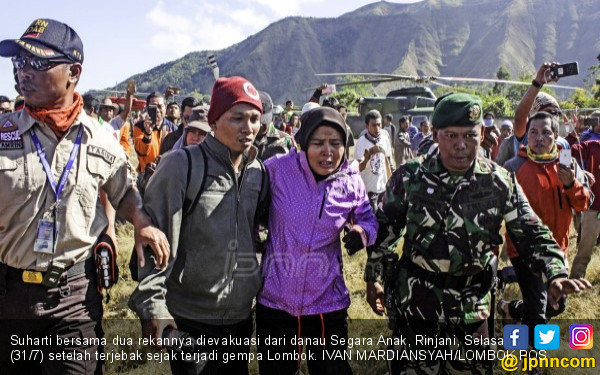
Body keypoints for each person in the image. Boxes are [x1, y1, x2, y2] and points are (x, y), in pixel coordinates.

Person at [364, 93, 591, 374]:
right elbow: (385, 229)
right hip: (417, 306)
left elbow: (532, 233)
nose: (461, 146)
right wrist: (373, 278)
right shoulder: (411, 177)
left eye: (470, 136)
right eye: (451, 136)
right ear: (435, 134)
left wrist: (556, 272)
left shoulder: (499, 181)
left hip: (472, 307)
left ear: (482, 133)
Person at [0, 18, 169, 375]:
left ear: (73, 71)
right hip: (8, 297)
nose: (22, 72)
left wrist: (141, 223)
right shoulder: (3, 135)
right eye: (18, 63)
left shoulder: (101, 139)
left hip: (73, 297)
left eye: (36, 62)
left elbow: (123, 190)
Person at [129, 76, 269, 375]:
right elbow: (155, 239)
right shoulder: (182, 165)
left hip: (240, 318)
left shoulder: (258, 171)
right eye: (238, 118)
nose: (248, 127)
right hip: (191, 319)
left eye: (255, 118)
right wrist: (154, 308)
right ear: (215, 121)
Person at [256, 106, 378, 375]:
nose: (328, 152)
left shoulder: (351, 180)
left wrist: (362, 232)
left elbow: (368, 219)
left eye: (336, 144)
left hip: (326, 303)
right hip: (276, 301)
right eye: (318, 143)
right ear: (303, 143)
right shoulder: (276, 170)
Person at [499, 112, 591, 336]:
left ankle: (509, 308)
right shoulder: (514, 167)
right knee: (538, 310)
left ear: (556, 136)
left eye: (546, 133)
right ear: (525, 137)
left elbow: (583, 204)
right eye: (533, 132)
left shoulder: (567, 165)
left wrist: (571, 184)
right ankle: (531, 362)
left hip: (557, 250)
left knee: (556, 306)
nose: (539, 138)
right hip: (524, 250)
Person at [570, 139, 600, 278]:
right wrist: (580, 171)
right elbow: (567, 152)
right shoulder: (593, 146)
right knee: (585, 250)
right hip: (594, 209)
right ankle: (576, 280)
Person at [354, 109, 392, 212]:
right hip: (368, 192)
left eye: (379, 125)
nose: (377, 128)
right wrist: (366, 159)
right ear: (367, 126)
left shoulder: (384, 139)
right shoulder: (361, 142)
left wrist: (391, 183)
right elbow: (357, 169)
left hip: (383, 189)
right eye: (374, 125)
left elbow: (387, 162)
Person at [133, 92, 176, 174]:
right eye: (153, 107)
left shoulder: (173, 128)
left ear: (165, 108)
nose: (157, 110)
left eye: (160, 106)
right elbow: (142, 152)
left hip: (167, 174)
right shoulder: (139, 127)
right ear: (147, 108)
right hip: (146, 175)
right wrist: (147, 133)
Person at [254, 91, 293, 161]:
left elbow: (297, 159)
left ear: (271, 118)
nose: (260, 124)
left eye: (263, 120)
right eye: (255, 120)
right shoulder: (241, 138)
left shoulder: (285, 139)